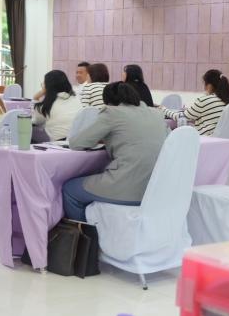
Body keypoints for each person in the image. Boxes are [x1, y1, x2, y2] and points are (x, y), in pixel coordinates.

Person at [63, 82, 169, 221]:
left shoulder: (112, 112)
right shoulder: (156, 114)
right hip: (156, 190)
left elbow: (77, 143)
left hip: (127, 187)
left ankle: (87, 232)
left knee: (70, 189)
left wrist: (104, 137)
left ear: (108, 101)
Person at [161, 69, 229, 136]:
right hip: (222, 141)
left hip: (204, 139)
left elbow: (181, 117)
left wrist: (163, 109)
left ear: (209, 86)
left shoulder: (204, 100)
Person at [31, 70, 82, 142]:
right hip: (78, 140)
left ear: (47, 86)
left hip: (59, 143)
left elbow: (36, 121)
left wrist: (36, 98)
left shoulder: (45, 106)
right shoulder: (76, 99)